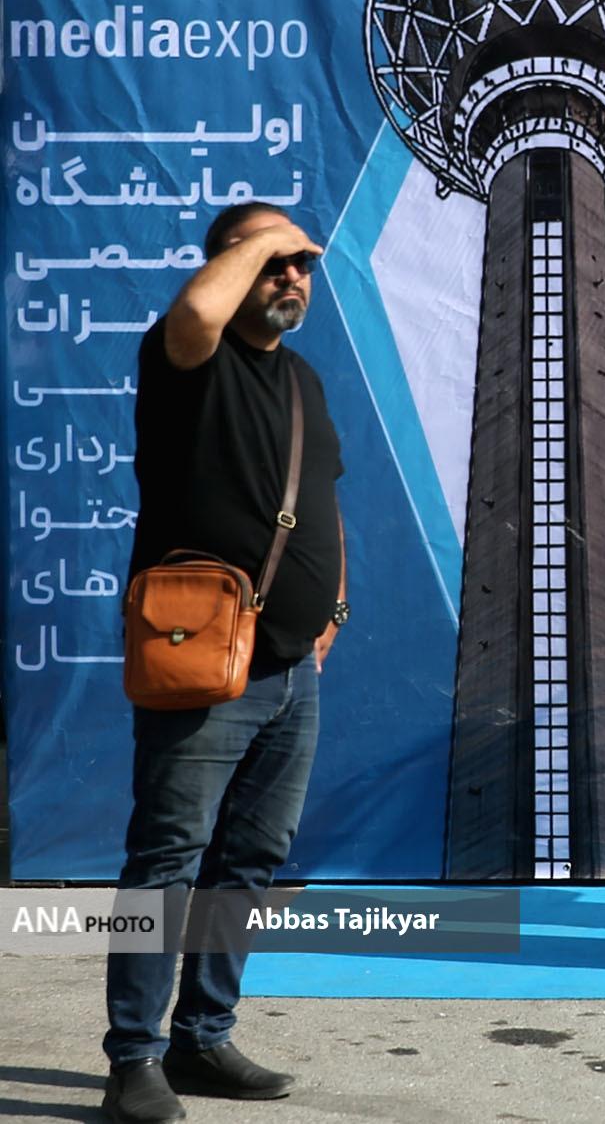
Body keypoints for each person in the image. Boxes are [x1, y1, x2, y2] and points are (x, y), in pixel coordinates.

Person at [103, 203, 348, 1124]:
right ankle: (133, 1057)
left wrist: (333, 604)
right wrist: (262, 241)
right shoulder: (187, 359)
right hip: (200, 661)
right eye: (273, 260)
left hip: (290, 672)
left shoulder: (305, 381)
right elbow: (200, 313)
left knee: (251, 856)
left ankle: (204, 1036)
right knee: (166, 860)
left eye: (302, 264)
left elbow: (321, 500)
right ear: (228, 265)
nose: (292, 276)